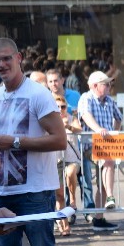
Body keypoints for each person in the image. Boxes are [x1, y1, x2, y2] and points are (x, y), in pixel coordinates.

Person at [0, 37, 68, 246]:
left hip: (35, 191)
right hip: (2, 191)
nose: (1, 65)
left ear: (20, 58)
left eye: (6, 59)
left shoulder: (38, 95)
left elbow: (59, 140)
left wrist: (15, 142)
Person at [77, 70, 122, 231]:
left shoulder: (109, 100)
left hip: (106, 144)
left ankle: (99, 217)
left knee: (103, 181)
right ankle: (110, 196)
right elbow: (85, 115)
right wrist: (98, 129)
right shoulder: (86, 98)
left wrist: (114, 134)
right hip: (90, 144)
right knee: (108, 161)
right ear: (95, 86)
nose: (110, 86)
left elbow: (119, 118)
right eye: (106, 84)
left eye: (110, 83)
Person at [53, 94, 82, 236]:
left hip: (72, 159)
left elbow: (79, 129)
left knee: (70, 173)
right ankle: (64, 224)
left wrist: (68, 126)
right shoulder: (50, 121)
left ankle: (73, 199)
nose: (60, 109)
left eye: (63, 107)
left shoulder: (72, 118)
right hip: (56, 160)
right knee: (59, 195)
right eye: (57, 107)